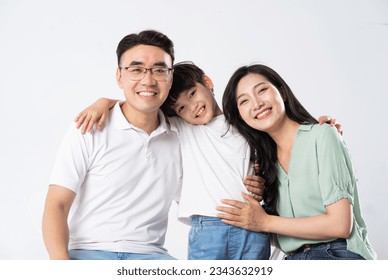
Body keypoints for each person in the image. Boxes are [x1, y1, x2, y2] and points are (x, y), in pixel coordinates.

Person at [75, 62, 270, 260]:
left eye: (193, 94)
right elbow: (138, 109)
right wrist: (103, 102)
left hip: (252, 226)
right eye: (182, 108)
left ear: (207, 82)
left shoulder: (244, 123)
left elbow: (261, 166)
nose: (193, 108)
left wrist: (260, 183)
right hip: (209, 228)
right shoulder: (183, 127)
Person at [42, 30, 182, 260]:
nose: (148, 80)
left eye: (159, 70)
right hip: (88, 251)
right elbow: (56, 205)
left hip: (151, 256)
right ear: (119, 77)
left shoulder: (181, 136)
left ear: (171, 77)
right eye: (136, 70)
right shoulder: (88, 127)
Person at [217, 64, 377, 260]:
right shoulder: (264, 165)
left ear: (282, 92)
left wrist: (264, 221)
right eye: (244, 101)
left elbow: (340, 225)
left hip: (337, 254)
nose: (257, 104)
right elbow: (284, 234)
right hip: (294, 258)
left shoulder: (323, 135)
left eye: (262, 90)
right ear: (240, 116)